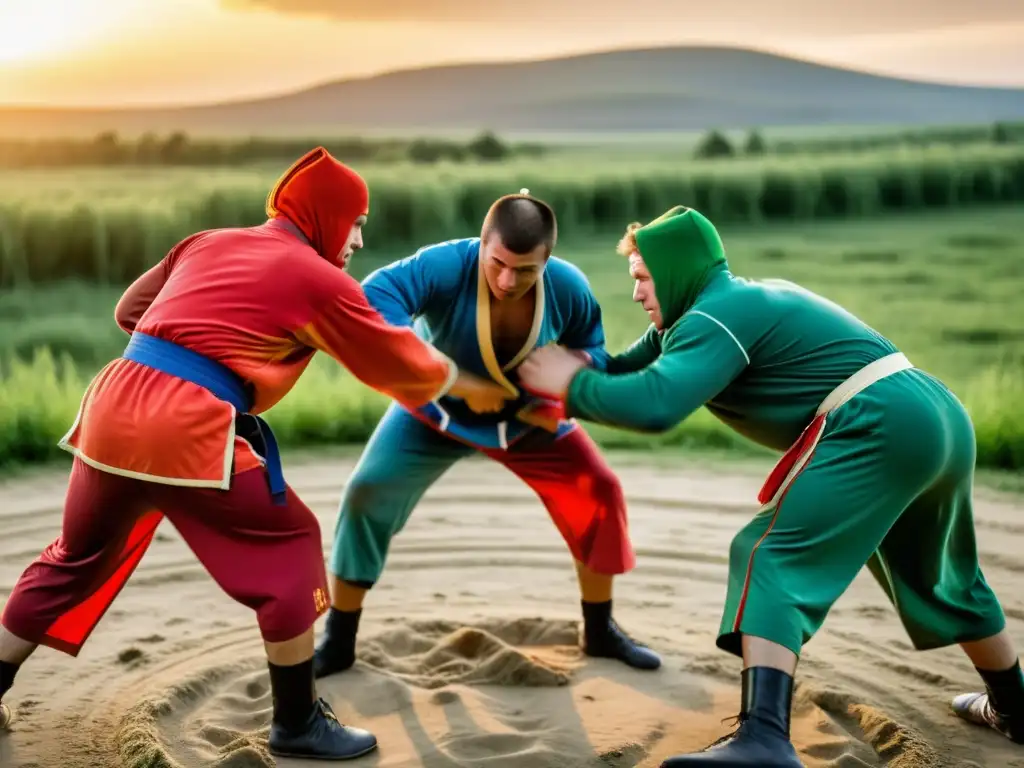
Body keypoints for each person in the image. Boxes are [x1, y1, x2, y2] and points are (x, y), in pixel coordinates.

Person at [0, 147, 509, 761]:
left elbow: (129, 311)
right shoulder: (315, 277)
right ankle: (297, 722)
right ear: (327, 216)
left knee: (73, 557)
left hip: (112, 404)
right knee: (290, 543)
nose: (358, 240)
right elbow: (395, 357)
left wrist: (207, 340)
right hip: (182, 421)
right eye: (357, 223)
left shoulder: (206, 241)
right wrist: (467, 384)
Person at [517, 205, 1024, 766]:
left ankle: (763, 739)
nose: (637, 293)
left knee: (770, 554)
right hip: (936, 416)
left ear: (677, 269)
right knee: (942, 576)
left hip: (879, 420)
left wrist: (569, 385)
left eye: (642, 277)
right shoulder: (716, 309)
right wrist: (561, 373)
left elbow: (656, 405)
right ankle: (1016, 708)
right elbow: (619, 373)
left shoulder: (714, 317)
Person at [312, 192, 662, 680]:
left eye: (525, 271)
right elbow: (372, 302)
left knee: (600, 491)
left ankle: (599, 630)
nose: (506, 280)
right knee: (367, 492)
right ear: (480, 245)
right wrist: (450, 377)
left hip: (528, 418)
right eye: (497, 263)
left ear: (547, 261)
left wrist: (560, 392)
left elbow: (593, 351)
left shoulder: (568, 286)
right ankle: (339, 639)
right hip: (433, 411)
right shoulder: (443, 265)